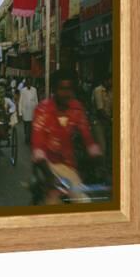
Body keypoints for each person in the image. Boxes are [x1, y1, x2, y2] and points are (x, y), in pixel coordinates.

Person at [31, 68, 103, 205]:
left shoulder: (77, 108)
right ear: (54, 89)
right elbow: (38, 146)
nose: (66, 93)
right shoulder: (42, 110)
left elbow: (87, 137)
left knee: (83, 202)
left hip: (68, 167)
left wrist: (98, 158)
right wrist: (49, 176)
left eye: (69, 89)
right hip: (46, 165)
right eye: (61, 89)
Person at [92, 74, 113, 161]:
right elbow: (100, 110)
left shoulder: (112, 91)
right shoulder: (98, 90)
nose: (112, 82)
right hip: (98, 122)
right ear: (105, 80)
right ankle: (99, 169)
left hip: (108, 122)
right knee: (102, 147)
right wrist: (111, 119)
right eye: (111, 80)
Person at [18, 77, 39, 144]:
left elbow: (36, 100)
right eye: (28, 82)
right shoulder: (23, 90)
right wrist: (20, 112)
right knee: (27, 124)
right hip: (25, 110)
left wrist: (37, 111)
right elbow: (20, 101)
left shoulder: (34, 90)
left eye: (30, 82)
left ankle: (30, 137)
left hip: (32, 110)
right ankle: (27, 137)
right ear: (26, 83)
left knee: (31, 125)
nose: (29, 83)